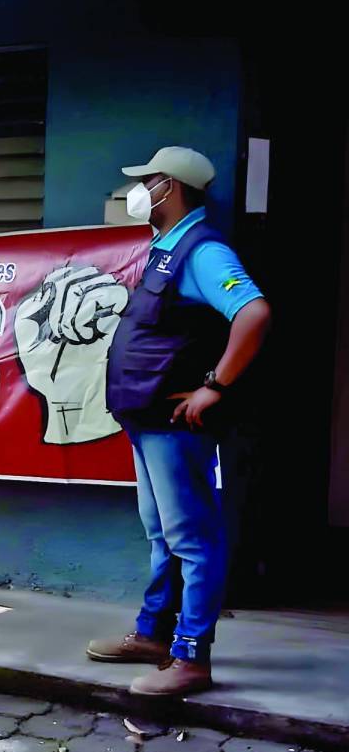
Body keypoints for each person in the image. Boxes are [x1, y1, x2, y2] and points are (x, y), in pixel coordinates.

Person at [90, 147, 271, 697]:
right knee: (163, 537)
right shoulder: (165, 248)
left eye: (145, 181)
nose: (135, 192)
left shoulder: (203, 250)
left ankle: (192, 658)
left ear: (169, 186)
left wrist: (213, 386)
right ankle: (153, 636)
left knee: (193, 539)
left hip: (174, 424)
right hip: (145, 419)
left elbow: (254, 313)